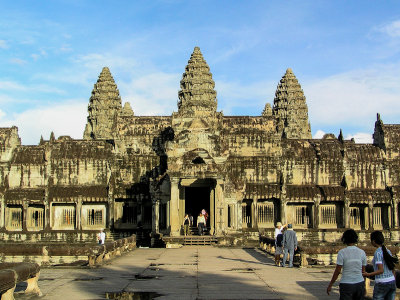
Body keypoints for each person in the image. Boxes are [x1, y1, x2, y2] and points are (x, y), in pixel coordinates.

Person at [327, 229, 367, 299]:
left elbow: (338, 271)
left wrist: (331, 284)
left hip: (346, 283)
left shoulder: (342, 252)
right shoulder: (362, 252)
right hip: (359, 283)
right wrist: (363, 285)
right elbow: (363, 271)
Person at [362, 231, 398, 300]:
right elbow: (392, 268)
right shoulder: (388, 251)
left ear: (374, 241)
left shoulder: (378, 252)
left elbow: (381, 270)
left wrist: (368, 274)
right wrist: (393, 280)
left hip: (382, 282)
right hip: (391, 281)